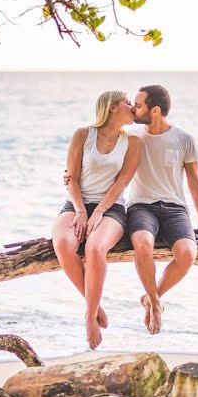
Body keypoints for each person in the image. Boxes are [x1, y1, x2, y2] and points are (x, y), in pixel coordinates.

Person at [127, 85, 198, 334]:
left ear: (155, 110)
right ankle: (156, 304)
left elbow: (194, 181)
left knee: (187, 254)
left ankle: (151, 297)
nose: (133, 109)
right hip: (141, 206)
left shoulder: (184, 139)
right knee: (143, 243)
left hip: (174, 208)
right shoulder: (131, 136)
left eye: (138, 105)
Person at [52, 91, 142, 350]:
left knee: (94, 248)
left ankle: (89, 316)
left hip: (111, 208)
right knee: (63, 243)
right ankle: (95, 304)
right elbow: (72, 178)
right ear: (113, 107)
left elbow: (122, 182)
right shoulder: (83, 134)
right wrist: (81, 211)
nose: (133, 108)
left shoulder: (133, 142)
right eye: (128, 103)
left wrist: (100, 211)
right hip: (77, 202)